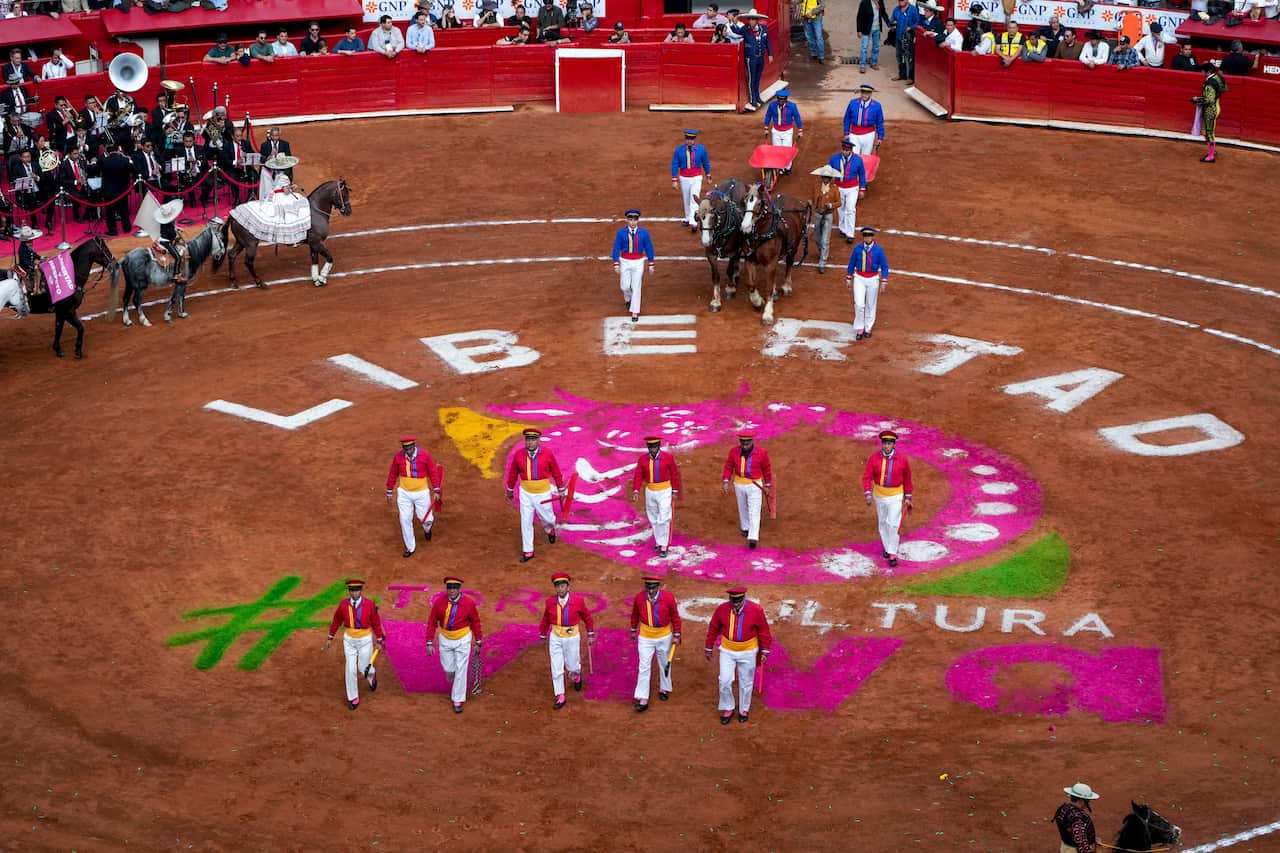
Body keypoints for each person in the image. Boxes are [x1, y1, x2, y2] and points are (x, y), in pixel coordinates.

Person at [704, 587, 772, 724]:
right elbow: (713, 628)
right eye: (733, 601)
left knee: (746, 682)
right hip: (727, 650)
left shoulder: (756, 610)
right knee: (724, 680)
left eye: (738, 601)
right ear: (730, 599)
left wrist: (764, 650)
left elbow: (763, 630)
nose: (735, 604)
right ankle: (728, 707)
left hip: (748, 651)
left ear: (744, 598)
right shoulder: (721, 609)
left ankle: (743, 709)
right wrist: (709, 646)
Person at [504, 428, 566, 562]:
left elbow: (556, 471)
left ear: (538, 440)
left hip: (543, 493)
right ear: (525, 440)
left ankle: (550, 530)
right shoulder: (518, 455)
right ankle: (528, 551)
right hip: (525, 493)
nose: (530, 442)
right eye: (528, 440)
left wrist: (561, 487)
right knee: (525, 521)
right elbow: (513, 473)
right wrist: (510, 488)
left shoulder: (547, 453)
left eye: (533, 440)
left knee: (548, 518)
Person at [324, 579, 387, 712]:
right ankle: (353, 697)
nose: (354, 593)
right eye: (352, 591)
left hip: (365, 640)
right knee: (350, 668)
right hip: (349, 640)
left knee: (364, 668)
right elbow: (337, 620)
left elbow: (376, 622)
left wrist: (380, 639)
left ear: (361, 591)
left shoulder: (369, 604)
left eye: (357, 590)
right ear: (349, 591)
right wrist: (331, 636)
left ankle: (372, 676)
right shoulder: (343, 605)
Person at [537, 572, 595, 709]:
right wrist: (543, 633)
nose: (560, 589)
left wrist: (590, 633)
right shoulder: (550, 602)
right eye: (558, 587)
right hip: (555, 637)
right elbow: (546, 618)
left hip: (572, 637)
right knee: (556, 667)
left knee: (573, 665)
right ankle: (560, 695)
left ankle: (576, 676)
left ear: (568, 587)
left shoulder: (578, 601)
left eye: (563, 586)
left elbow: (587, 617)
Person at [425, 577, 483, 714]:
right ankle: (452, 676)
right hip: (445, 639)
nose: (452, 591)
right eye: (449, 588)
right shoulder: (439, 603)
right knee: (449, 669)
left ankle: (458, 699)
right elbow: (432, 622)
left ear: (459, 589)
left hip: (463, 639)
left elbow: (475, 622)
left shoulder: (469, 603)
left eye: (454, 588)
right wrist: (429, 641)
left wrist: (478, 640)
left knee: (461, 669)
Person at [630, 575, 682, 711]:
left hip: (664, 636)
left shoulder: (668, 598)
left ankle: (664, 688)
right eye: (648, 587)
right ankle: (643, 698)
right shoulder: (639, 597)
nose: (650, 591)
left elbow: (675, 617)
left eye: (653, 588)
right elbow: (635, 614)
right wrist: (633, 629)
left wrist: (677, 634)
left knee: (664, 663)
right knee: (644, 666)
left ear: (658, 586)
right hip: (645, 637)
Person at [385, 435, 442, 557]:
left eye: (410, 449)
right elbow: (393, 473)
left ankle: (427, 528)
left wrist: (436, 489)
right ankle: (410, 547)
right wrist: (389, 490)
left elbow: (432, 472)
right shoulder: (398, 457)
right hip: (404, 493)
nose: (408, 452)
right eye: (405, 449)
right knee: (404, 519)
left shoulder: (425, 455)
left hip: (421, 493)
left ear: (414, 446)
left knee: (426, 519)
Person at [862, 429, 913, 566]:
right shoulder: (873, 458)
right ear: (882, 444)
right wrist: (867, 493)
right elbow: (867, 477)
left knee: (894, 524)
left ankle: (892, 553)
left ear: (894, 444)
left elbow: (908, 479)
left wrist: (908, 497)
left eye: (889, 443)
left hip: (896, 496)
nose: (886, 446)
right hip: (879, 495)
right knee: (883, 523)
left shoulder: (902, 459)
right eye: (884, 443)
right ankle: (887, 547)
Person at [721, 432, 772, 550]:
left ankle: (753, 536)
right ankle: (745, 528)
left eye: (747, 443)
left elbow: (766, 469)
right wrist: (725, 480)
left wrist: (768, 484)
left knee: (754, 510)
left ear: (752, 441)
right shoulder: (734, 451)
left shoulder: (762, 453)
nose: (744, 445)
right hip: (739, 484)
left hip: (754, 485)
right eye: (742, 442)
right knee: (742, 507)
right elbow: (729, 466)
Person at [631, 436, 681, 556]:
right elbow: (638, 475)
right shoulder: (642, 459)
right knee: (653, 518)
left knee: (663, 517)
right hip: (650, 490)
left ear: (658, 446)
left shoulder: (668, 457)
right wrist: (636, 490)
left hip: (664, 490)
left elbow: (674, 473)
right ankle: (659, 542)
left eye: (654, 447)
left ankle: (664, 545)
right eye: (650, 447)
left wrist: (675, 490)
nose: (652, 449)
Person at [845, 225, 890, 340]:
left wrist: (884, 281)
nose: (867, 238)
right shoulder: (857, 248)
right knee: (859, 304)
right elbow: (851, 263)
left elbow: (884, 266)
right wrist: (849, 277)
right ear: (863, 237)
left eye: (869, 235)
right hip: (859, 278)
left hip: (873, 279)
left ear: (873, 237)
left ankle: (868, 327)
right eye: (865, 235)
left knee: (870, 304)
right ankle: (860, 327)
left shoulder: (879, 250)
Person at [611, 209, 655, 323]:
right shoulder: (621, 233)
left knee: (636, 286)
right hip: (625, 261)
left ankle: (635, 311)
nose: (633, 222)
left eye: (635, 220)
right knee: (624, 286)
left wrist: (651, 263)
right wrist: (616, 263)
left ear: (638, 220)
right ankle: (628, 298)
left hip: (638, 261)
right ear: (627, 220)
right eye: (630, 220)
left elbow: (649, 247)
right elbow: (616, 248)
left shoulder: (644, 233)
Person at [670, 129, 711, 233]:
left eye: (692, 139)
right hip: (684, 177)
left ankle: (693, 221)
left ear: (695, 139)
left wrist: (708, 174)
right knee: (686, 198)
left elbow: (705, 162)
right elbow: (674, 164)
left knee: (694, 197)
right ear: (685, 139)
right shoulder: (679, 150)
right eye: (688, 138)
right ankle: (688, 218)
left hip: (696, 177)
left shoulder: (702, 149)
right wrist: (674, 179)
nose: (689, 141)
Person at [828, 138, 867, 243]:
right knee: (840, 208)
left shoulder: (858, 160)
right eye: (843, 149)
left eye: (847, 150)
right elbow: (828, 170)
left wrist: (862, 189)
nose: (844, 152)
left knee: (850, 209)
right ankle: (842, 229)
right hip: (838, 187)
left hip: (852, 188)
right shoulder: (834, 158)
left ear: (851, 150)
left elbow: (862, 174)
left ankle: (850, 234)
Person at [732, 9, 773, 111]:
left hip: (760, 57)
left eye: (753, 19)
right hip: (751, 58)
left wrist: (770, 54)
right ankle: (753, 99)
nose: (751, 21)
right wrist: (733, 22)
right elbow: (735, 30)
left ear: (757, 20)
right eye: (749, 19)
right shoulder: (745, 29)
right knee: (752, 78)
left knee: (758, 78)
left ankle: (757, 96)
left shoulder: (763, 28)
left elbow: (767, 42)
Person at [1192, 62, 1227, 162]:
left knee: (1208, 133)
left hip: (1210, 109)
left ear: (1208, 72)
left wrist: (1196, 100)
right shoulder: (1218, 77)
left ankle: (1211, 156)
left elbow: (1209, 100)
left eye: (1203, 71)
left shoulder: (1209, 84)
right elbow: (1224, 89)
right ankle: (1212, 150)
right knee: (1207, 131)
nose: (1202, 72)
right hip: (1217, 105)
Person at [808, 164, 841, 274]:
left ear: (831, 178)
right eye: (824, 177)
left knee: (825, 240)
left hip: (828, 215)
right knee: (817, 237)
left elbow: (839, 202)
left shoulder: (834, 189)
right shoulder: (816, 186)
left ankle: (822, 261)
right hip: (818, 214)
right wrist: (810, 203)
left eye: (827, 177)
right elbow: (812, 199)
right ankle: (823, 251)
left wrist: (831, 205)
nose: (825, 179)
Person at [1054, 782, 1100, 853]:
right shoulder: (1077, 819)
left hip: (1065, 848)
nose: (1087, 804)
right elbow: (1082, 846)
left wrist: (1090, 839)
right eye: (1087, 801)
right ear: (1081, 801)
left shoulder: (1063, 808)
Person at [842, 83, 884, 155]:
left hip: (869, 135)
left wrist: (880, 137)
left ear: (870, 94)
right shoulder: (853, 103)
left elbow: (879, 122)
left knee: (866, 155)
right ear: (860, 92)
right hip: (854, 134)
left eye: (867, 93)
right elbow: (847, 118)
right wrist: (846, 132)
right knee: (854, 156)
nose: (864, 95)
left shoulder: (877, 106)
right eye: (863, 92)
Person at [890, 0, 920, 82]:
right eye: (899, 0)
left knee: (910, 58)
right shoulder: (896, 9)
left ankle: (911, 77)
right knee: (899, 57)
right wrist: (892, 23)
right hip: (899, 37)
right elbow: (891, 21)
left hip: (909, 38)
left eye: (902, 0)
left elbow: (917, 22)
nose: (900, 2)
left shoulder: (913, 9)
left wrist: (911, 27)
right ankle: (902, 75)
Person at [857, 0, 886, 71]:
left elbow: (883, 13)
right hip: (867, 29)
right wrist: (859, 30)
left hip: (877, 29)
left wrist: (889, 23)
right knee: (864, 47)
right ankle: (862, 65)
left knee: (876, 47)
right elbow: (859, 17)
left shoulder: (880, 1)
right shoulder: (864, 2)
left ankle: (873, 63)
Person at [16, 226, 43, 294]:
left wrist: (40, 257)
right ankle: (36, 290)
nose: (32, 241)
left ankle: (40, 284)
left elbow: (33, 254)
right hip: (25, 267)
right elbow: (24, 260)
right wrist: (33, 266)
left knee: (43, 265)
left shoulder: (28, 245)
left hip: (30, 264)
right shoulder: (22, 248)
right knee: (38, 273)